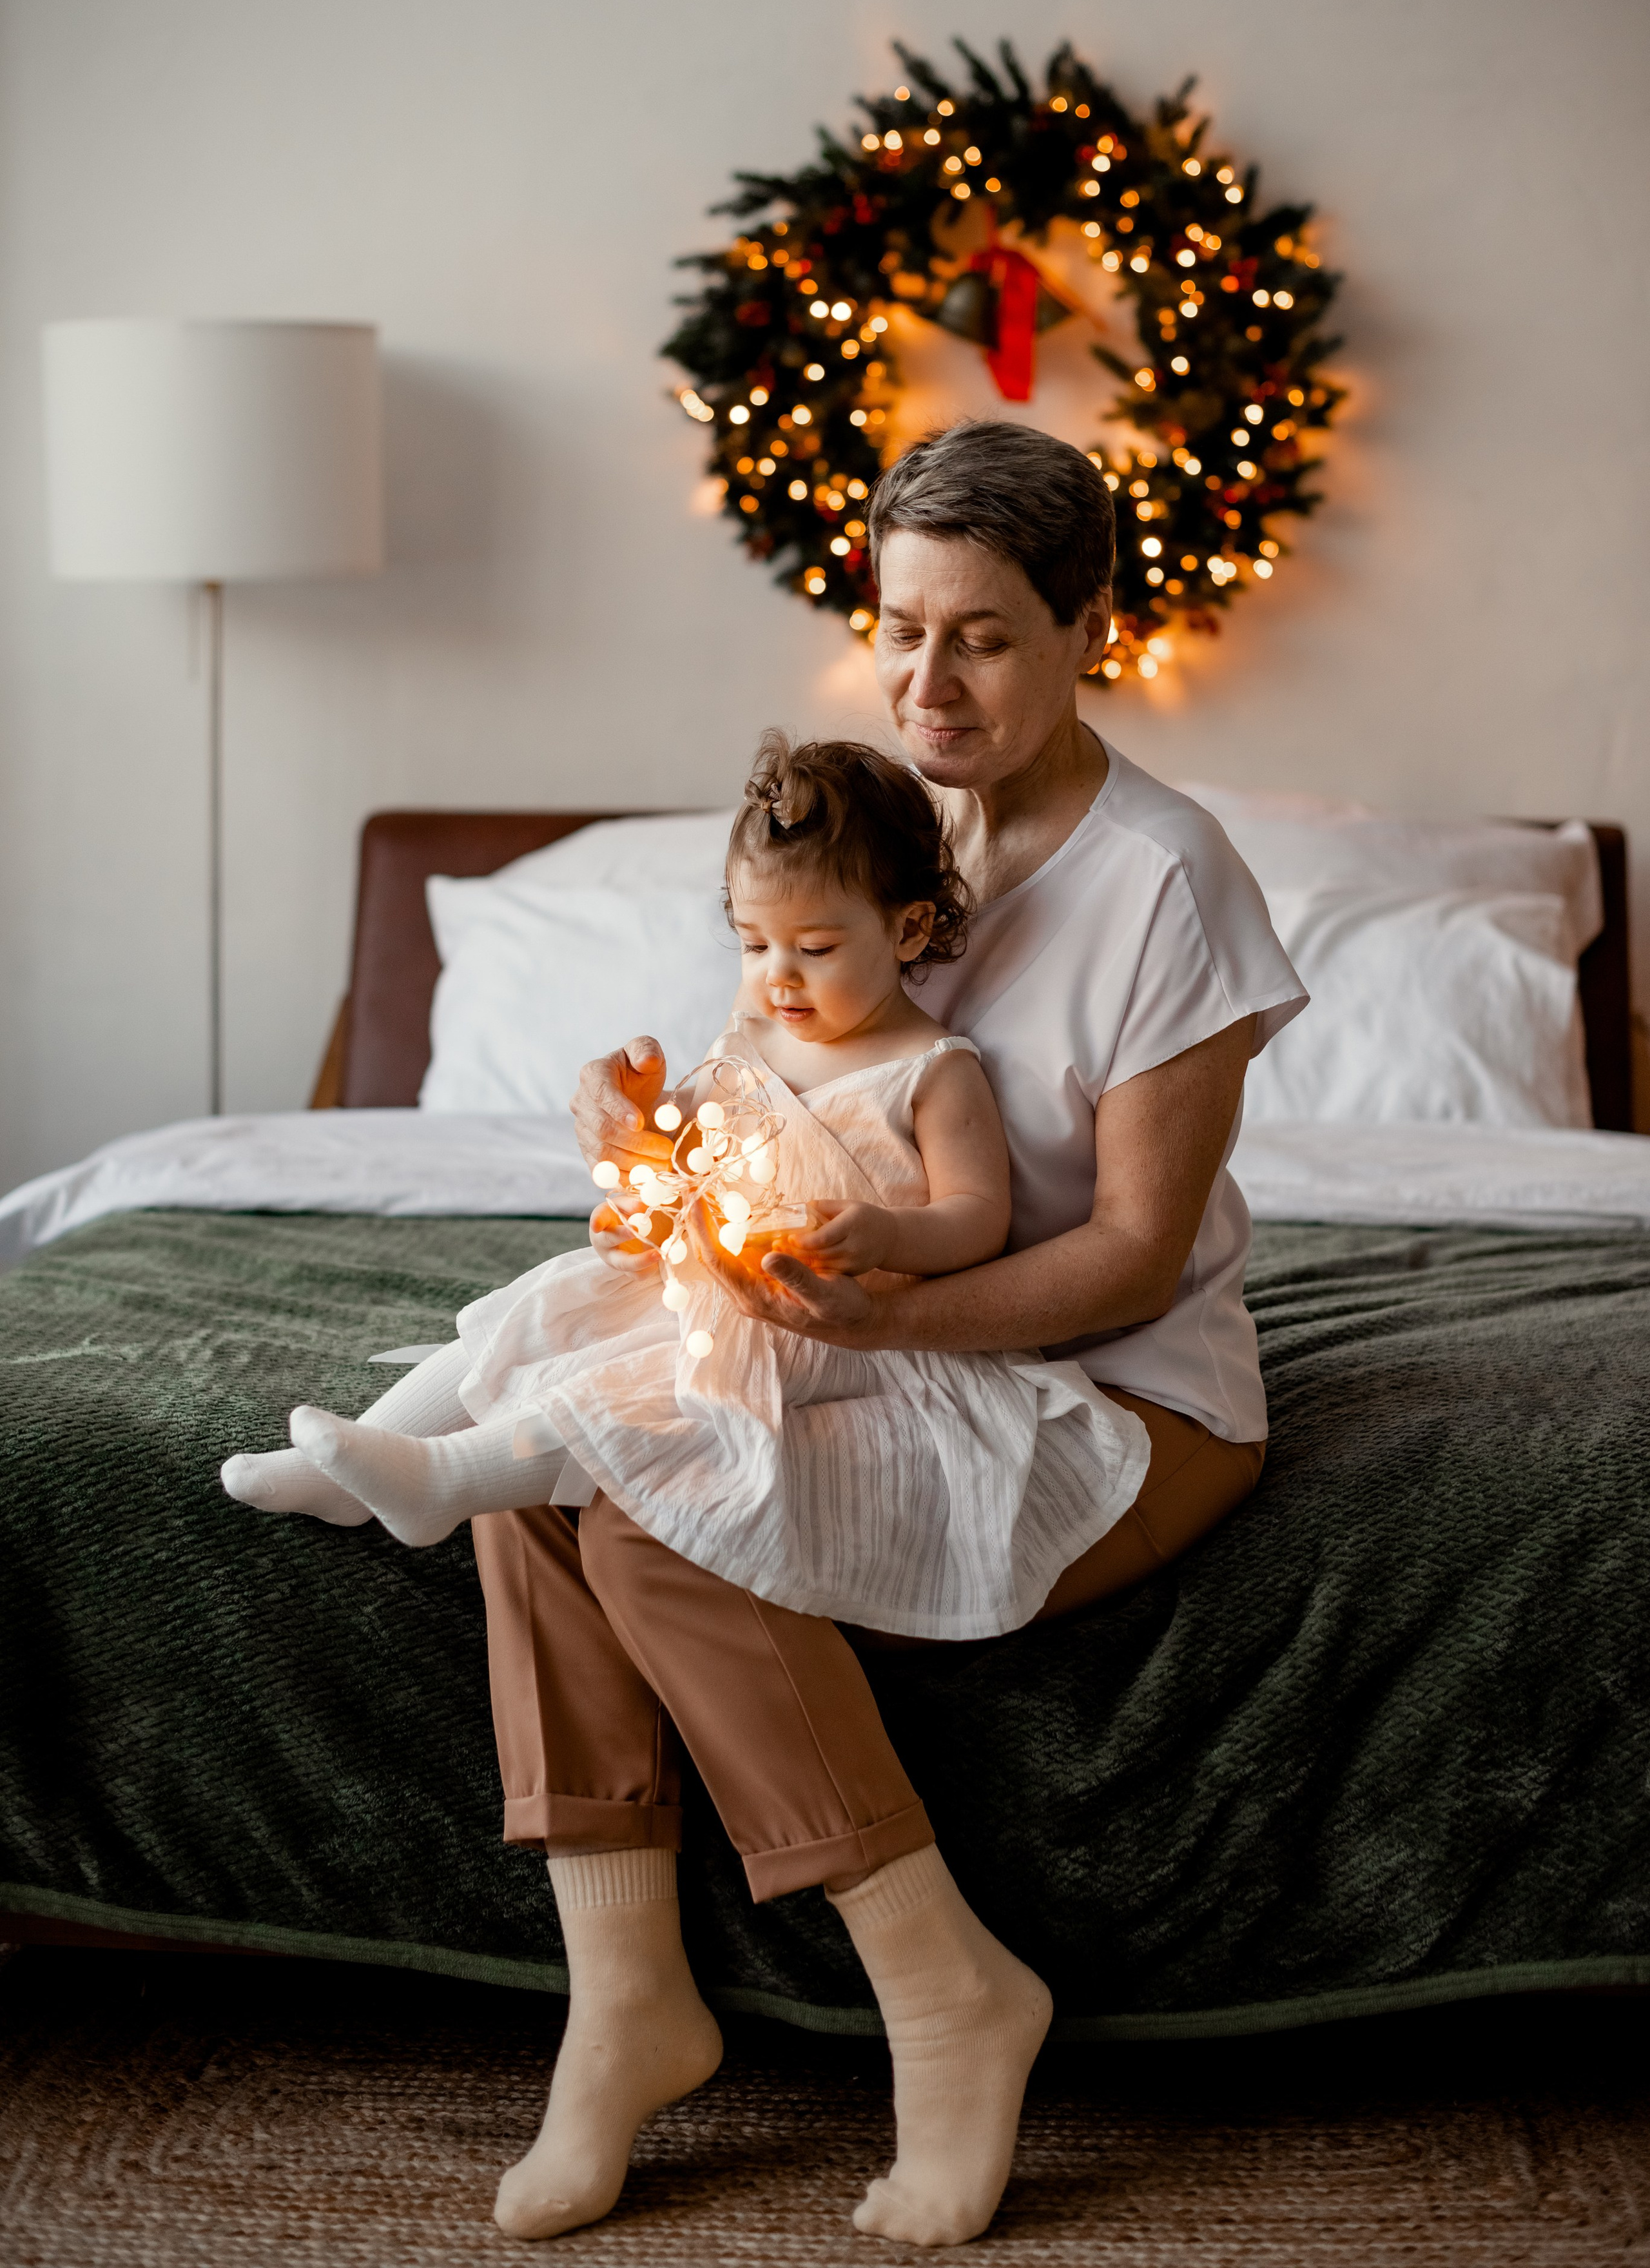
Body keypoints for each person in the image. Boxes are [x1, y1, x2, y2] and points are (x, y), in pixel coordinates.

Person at [260, 418, 1308, 2251]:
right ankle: (624, 1996)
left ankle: (942, 1986)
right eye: (901, 628)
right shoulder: (863, 824)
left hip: (1119, 1391)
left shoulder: (1166, 880)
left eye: (984, 635)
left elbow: (1136, 1253)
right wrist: (650, 1131)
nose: (931, 680)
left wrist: (870, 1300)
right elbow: (784, 1104)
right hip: (878, 1342)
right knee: (549, 1430)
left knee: (659, 1493)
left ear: (1089, 626)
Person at [234, 731, 1155, 1647]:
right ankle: (352, 1465)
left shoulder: (931, 1069)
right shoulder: (752, 1026)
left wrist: (886, 1235)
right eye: (754, 943)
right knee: (540, 1312)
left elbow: (979, 1219)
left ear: (909, 928)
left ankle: (443, 1484)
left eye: (817, 947)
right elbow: (696, 1149)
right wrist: (640, 1188)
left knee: (636, 1393)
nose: (778, 976)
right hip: (716, 1284)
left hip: (835, 1329)